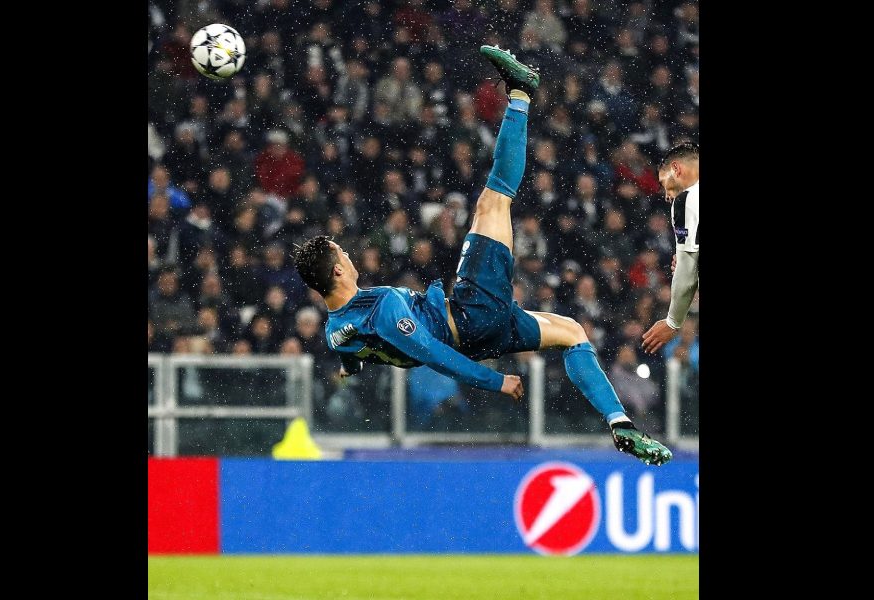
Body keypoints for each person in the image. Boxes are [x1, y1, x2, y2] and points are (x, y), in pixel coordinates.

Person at [293, 47, 672, 465]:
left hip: (479, 332)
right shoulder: (382, 309)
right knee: (494, 201)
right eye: (343, 253)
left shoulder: (336, 330)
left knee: (572, 332)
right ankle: (521, 93)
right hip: (471, 315)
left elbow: (350, 353)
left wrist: (351, 369)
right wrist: (495, 382)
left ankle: (620, 422)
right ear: (339, 270)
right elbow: (433, 354)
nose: (350, 255)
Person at [642, 143, 699, 354]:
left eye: (663, 182)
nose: (666, 195)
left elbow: (686, 273)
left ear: (676, 168)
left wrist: (672, 322)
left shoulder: (688, 200)